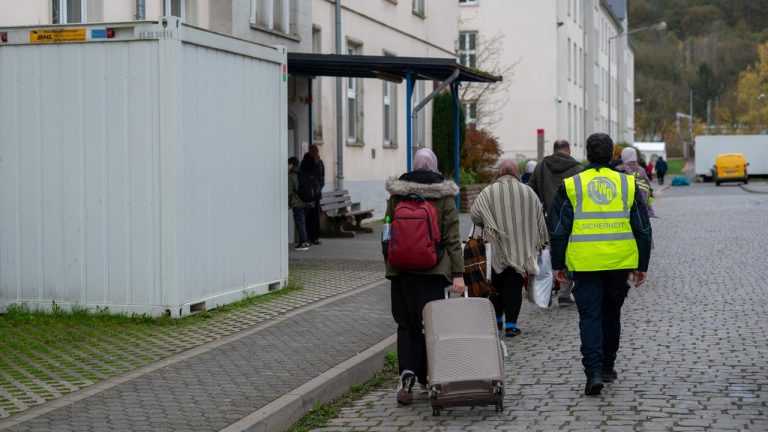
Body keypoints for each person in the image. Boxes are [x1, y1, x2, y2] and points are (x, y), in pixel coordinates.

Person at [548, 132, 652, 396]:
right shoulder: (628, 184)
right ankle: (607, 367)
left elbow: (559, 229)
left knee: (591, 317)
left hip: (585, 263)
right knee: (611, 315)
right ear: (610, 155)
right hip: (619, 262)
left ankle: (593, 371)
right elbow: (642, 228)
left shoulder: (572, 185)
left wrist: (558, 264)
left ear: (587, 154)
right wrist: (642, 265)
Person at [385, 148, 465, 405]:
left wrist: (391, 260)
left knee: (406, 324)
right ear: (435, 166)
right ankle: (428, 376)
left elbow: (387, 232)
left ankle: (407, 372)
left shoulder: (397, 194)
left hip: (402, 272)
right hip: (434, 272)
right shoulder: (444, 195)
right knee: (430, 325)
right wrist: (458, 274)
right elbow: (452, 238)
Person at [470, 160, 548, 337]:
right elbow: (540, 219)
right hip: (520, 250)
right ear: (516, 173)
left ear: (499, 172)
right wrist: (542, 241)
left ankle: (497, 320)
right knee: (513, 287)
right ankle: (511, 325)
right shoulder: (528, 192)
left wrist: (488, 223)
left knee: (495, 285)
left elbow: (475, 214)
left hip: (495, 247)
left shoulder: (488, 191)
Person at [528, 139, 582, 306]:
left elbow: (531, 192)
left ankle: (545, 293)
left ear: (554, 150)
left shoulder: (541, 167)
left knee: (547, 255)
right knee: (570, 254)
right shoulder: (578, 169)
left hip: (546, 219)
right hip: (571, 218)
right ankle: (565, 293)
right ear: (569, 150)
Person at [617, 147, 656, 218]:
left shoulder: (619, 169)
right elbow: (649, 188)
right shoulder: (642, 170)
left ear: (623, 156)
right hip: (641, 204)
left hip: (626, 206)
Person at [300, 145, 325, 245]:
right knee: (308, 217)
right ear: (310, 151)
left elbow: (322, 176)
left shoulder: (320, 162)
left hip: (316, 194)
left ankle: (315, 237)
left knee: (315, 217)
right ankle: (308, 238)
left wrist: (319, 189)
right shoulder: (306, 161)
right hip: (308, 194)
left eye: (317, 151)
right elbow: (304, 177)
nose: (317, 153)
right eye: (315, 151)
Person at [288, 157, 310, 251]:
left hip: (297, 203)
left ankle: (303, 243)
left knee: (299, 223)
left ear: (291, 165)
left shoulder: (291, 176)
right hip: (305, 201)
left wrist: (288, 203)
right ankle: (305, 241)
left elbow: (289, 192)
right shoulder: (301, 173)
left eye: (288, 164)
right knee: (302, 222)